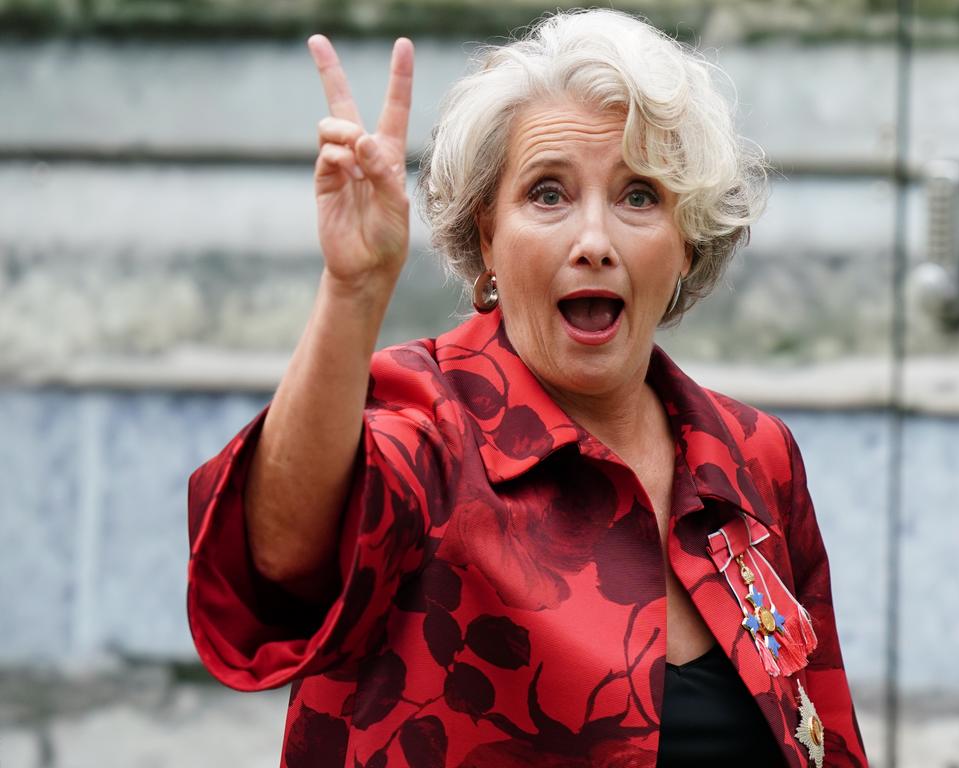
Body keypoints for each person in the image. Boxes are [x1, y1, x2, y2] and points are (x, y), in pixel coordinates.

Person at [187, 9, 868, 767]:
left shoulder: (754, 458)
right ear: (488, 236)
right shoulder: (426, 422)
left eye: (639, 195)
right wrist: (354, 289)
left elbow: (826, 735)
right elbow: (279, 552)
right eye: (548, 194)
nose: (594, 243)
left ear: (687, 240)